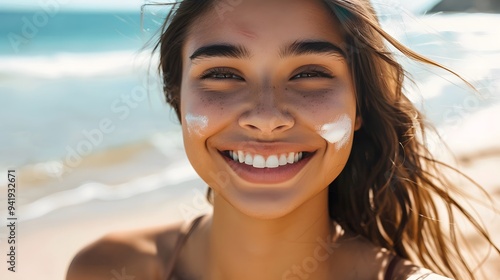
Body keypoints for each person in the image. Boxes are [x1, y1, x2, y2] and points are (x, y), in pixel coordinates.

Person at [66, 0, 499, 279]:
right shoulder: (104, 269)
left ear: (359, 106)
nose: (266, 118)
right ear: (176, 100)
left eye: (309, 74)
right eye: (222, 74)